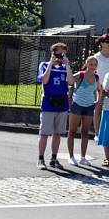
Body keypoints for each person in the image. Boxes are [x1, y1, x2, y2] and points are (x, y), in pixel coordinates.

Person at [37, 42, 73, 171]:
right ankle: (41, 158)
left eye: (61, 53)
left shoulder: (65, 66)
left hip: (62, 103)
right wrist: (51, 64)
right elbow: (44, 80)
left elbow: (70, 81)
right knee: (44, 133)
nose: (59, 56)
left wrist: (67, 64)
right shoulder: (45, 65)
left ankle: (53, 158)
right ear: (52, 53)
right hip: (48, 102)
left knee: (58, 133)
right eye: (57, 53)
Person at [67, 55, 101, 166]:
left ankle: (83, 157)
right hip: (77, 105)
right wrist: (70, 97)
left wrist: (97, 101)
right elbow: (70, 81)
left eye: (95, 65)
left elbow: (99, 90)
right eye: (91, 64)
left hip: (89, 107)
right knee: (72, 131)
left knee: (85, 132)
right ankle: (71, 157)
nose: (93, 66)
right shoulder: (81, 75)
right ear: (86, 64)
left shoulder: (96, 77)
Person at [92, 34, 109, 140]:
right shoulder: (96, 57)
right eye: (107, 41)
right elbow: (91, 72)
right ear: (102, 43)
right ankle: (97, 133)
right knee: (97, 110)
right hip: (98, 88)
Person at [97, 69, 109, 169]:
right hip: (108, 109)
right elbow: (104, 91)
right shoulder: (108, 75)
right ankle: (107, 158)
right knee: (107, 135)